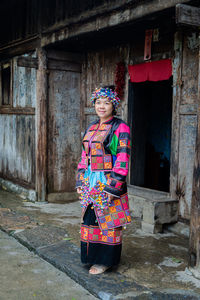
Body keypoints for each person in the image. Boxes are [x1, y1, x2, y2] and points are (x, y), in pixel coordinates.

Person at [76, 86, 131, 275]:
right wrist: (80, 180)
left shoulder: (120, 127)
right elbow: (84, 156)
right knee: (90, 220)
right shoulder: (91, 127)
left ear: (113, 105)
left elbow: (123, 159)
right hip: (90, 182)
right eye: (98, 102)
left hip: (108, 182)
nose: (101, 106)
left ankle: (105, 262)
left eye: (106, 103)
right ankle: (91, 258)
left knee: (108, 221)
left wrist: (112, 187)